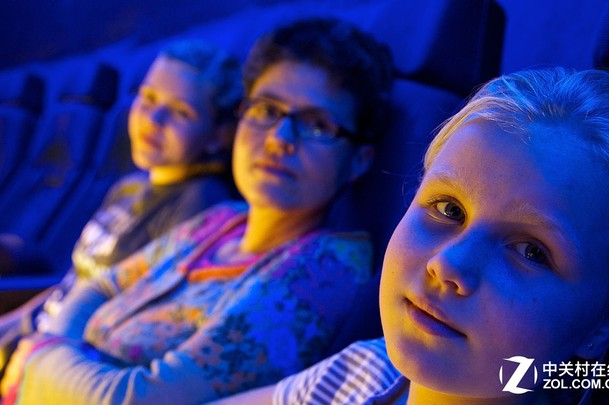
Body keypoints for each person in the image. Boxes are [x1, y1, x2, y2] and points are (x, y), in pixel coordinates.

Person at [0, 17, 394, 404]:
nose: (279, 139)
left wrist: (41, 351)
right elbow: (101, 286)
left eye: (318, 125)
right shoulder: (221, 220)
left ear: (360, 159)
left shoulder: (321, 271)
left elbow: (141, 400)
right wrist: (54, 344)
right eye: (266, 111)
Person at [211, 67, 609, 405]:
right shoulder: (360, 371)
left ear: (606, 325)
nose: (448, 263)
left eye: (531, 251)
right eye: (449, 209)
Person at [0, 37, 242, 373]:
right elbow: (72, 284)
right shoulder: (129, 186)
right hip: (37, 338)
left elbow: (137, 328)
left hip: (66, 362)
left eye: (180, 112)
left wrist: (32, 349)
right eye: (148, 98)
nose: (154, 119)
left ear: (219, 135)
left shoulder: (202, 206)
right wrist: (13, 324)